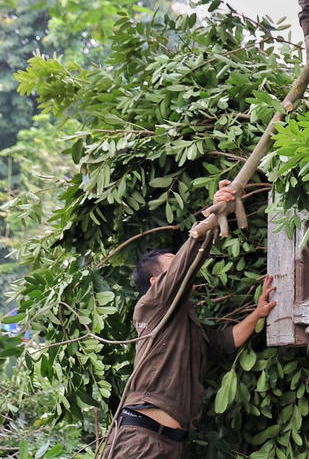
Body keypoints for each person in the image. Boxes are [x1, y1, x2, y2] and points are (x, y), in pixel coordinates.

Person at [105, 181, 277, 459]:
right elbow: (187, 264)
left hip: (168, 444)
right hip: (140, 441)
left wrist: (258, 314)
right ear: (156, 281)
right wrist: (209, 221)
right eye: (173, 263)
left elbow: (219, 345)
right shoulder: (151, 306)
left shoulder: (182, 325)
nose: (181, 266)